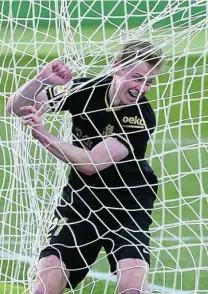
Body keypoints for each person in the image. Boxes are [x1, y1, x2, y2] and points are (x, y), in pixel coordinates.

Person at [7, 40, 164, 294]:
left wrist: (42, 133)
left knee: (132, 287)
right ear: (118, 67)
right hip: (80, 202)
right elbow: (16, 108)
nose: (142, 88)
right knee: (45, 283)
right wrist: (42, 80)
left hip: (127, 205)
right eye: (137, 78)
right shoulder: (85, 89)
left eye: (149, 82)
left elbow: (92, 163)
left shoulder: (140, 116)